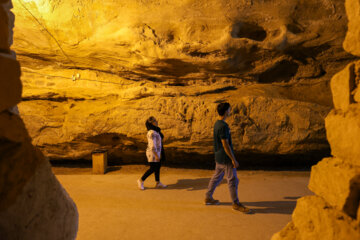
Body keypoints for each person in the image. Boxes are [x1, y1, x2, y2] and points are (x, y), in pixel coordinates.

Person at [205, 102, 252, 213]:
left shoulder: (217, 124)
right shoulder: (223, 126)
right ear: (226, 111)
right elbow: (225, 144)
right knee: (232, 180)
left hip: (218, 156)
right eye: (230, 109)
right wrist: (233, 159)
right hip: (226, 158)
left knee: (216, 178)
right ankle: (236, 203)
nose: (230, 111)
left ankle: (208, 197)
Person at [137, 116, 167, 190]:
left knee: (158, 167)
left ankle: (158, 183)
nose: (156, 121)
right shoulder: (151, 132)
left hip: (158, 151)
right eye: (154, 121)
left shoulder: (156, 131)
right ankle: (141, 180)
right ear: (151, 123)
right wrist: (156, 155)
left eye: (156, 120)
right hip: (153, 153)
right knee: (153, 168)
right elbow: (152, 145)